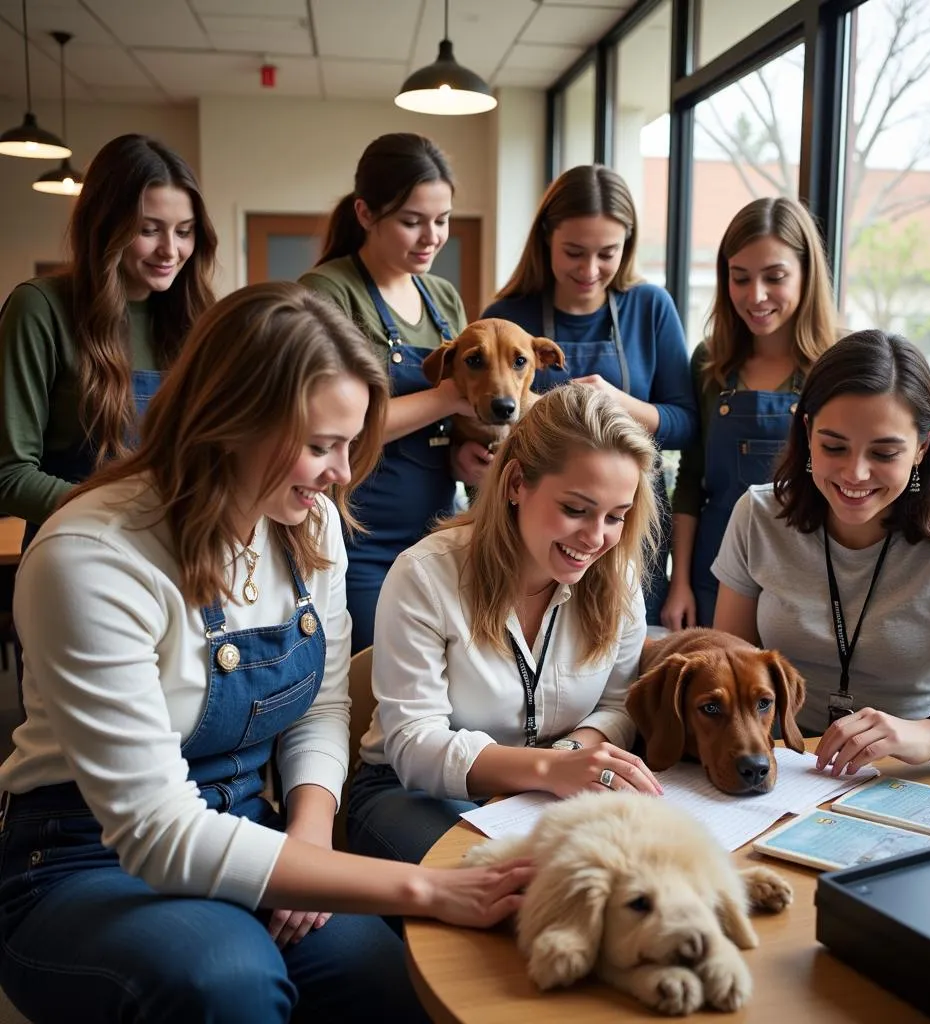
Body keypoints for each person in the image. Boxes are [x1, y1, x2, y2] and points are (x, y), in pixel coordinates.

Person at [0, 283, 532, 1024]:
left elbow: (322, 706)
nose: (343, 474)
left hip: (257, 831)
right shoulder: (90, 558)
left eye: (352, 445)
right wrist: (430, 889)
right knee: (228, 982)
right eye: (320, 447)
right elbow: (156, 831)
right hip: (90, 861)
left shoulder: (308, 529)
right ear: (227, 420)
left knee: (398, 982)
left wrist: (308, 846)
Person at [347, 382, 665, 868]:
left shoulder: (617, 577)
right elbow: (414, 745)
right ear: (516, 483)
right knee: (525, 885)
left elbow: (619, 704)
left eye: (616, 517)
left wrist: (572, 756)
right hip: (411, 793)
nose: (597, 538)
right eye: (575, 509)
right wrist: (552, 768)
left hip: (548, 793)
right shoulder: (425, 575)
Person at [712, 329, 930, 776]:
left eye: (884, 452)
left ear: (922, 447)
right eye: (833, 446)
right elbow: (728, 672)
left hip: (920, 777)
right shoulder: (758, 514)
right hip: (789, 773)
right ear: (806, 431)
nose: (855, 473)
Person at [482, 165, 698, 624]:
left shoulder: (650, 307)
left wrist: (621, 405)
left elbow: (685, 422)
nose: (590, 269)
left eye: (608, 253)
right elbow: (481, 413)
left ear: (629, 244)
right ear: (546, 238)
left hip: (626, 525)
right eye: (574, 252)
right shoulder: (507, 315)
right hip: (533, 532)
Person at [299, 133, 482, 653]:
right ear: (364, 213)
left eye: (442, 220)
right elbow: (324, 428)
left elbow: (456, 419)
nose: (431, 237)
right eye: (411, 221)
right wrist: (447, 398)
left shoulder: (443, 297)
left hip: (437, 533)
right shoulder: (327, 293)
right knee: (368, 683)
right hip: (355, 538)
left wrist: (463, 452)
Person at [0, 133, 217, 548]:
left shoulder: (200, 319)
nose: (170, 250)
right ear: (105, 226)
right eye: (149, 230)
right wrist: (132, 514)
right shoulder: (41, 308)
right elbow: (9, 474)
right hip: (75, 550)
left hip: (177, 551)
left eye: (185, 231)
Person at [663, 196, 838, 630]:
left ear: (806, 274)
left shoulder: (839, 363)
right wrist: (679, 581)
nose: (755, 296)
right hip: (712, 573)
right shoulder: (711, 361)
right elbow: (691, 479)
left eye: (774, 277)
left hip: (806, 579)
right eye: (740, 278)